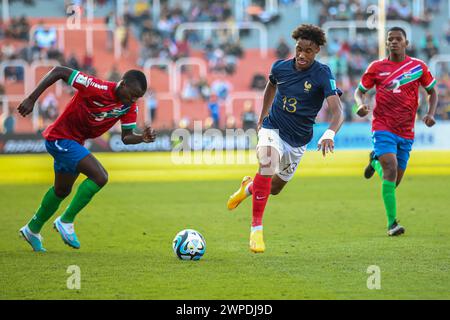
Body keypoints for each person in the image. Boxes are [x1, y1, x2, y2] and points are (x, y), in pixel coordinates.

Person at [226, 24, 344, 253]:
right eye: (299, 48)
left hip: (298, 141)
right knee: (267, 164)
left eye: (308, 51)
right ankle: (256, 231)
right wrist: (262, 118)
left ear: (317, 50)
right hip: (274, 129)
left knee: (275, 187)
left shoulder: (322, 73)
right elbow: (270, 86)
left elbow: (337, 111)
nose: (301, 54)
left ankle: (247, 189)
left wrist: (329, 133)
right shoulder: (280, 67)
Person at [17, 66, 156, 252]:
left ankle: (31, 230)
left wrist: (142, 138)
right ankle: (66, 220)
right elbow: (59, 71)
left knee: (61, 190)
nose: (134, 100)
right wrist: (32, 98)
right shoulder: (95, 86)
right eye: (133, 94)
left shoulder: (129, 106)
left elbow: (126, 136)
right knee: (100, 176)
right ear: (123, 84)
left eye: (137, 97)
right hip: (60, 138)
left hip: (74, 142)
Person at [354, 27, 438, 236]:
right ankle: (392, 224)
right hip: (383, 126)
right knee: (390, 169)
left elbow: (432, 92)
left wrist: (431, 113)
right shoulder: (376, 67)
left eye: (397, 39)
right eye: (390, 39)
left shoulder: (418, 67)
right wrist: (359, 105)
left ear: (406, 43)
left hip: (407, 130)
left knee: (394, 180)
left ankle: (374, 161)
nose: (393, 42)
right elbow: (359, 91)